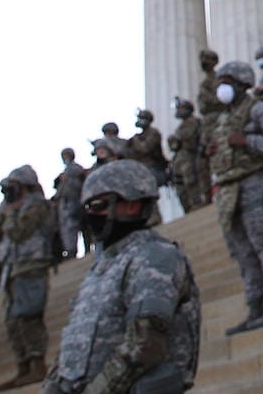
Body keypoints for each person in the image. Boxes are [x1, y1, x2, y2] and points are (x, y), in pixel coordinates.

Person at [45, 160, 201, 393]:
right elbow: (71, 349)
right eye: (87, 208)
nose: (90, 215)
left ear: (131, 206)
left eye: (97, 206)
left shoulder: (155, 257)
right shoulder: (102, 269)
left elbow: (145, 343)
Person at [210, 60, 263, 335]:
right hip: (228, 190)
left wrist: (248, 142)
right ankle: (254, 309)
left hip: (256, 182)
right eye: (220, 81)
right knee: (243, 254)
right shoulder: (223, 119)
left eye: (228, 81)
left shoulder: (258, 108)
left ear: (243, 84)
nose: (222, 86)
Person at [0, 165, 52, 390]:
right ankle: (23, 365)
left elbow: (19, 233)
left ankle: (37, 365)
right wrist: (5, 212)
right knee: (12, 320)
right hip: (11, 267)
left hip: (31, 265)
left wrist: (12, 212)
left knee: (29, 316)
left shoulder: (36, 205)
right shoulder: (7, 207)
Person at [168, 97, 207, 211]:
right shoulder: (182, 126)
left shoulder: (193, 122)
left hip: (190, 158)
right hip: (180, 160)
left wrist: (175, 139)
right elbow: (175, 145)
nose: (178, 111)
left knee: (191, 184)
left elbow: (186, 137)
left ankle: (196, 206)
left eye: (181, 108)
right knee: (181, 188)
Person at [54, 148, 88, 256]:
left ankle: (76, 250)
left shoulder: (75, 169)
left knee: (76, 226)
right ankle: (71, 251)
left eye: (66, 155)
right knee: (68, 228)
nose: (65, 158)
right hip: (66, 201)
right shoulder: (65, 172)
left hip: (75, 200)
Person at [128, 109, 170, 187]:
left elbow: (145, 148)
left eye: (142, 118)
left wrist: (135, 140)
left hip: (152, 168)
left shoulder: (153, 133)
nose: (140, 121)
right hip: (141, 168)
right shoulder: (140, 135)